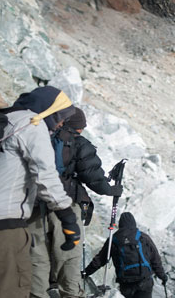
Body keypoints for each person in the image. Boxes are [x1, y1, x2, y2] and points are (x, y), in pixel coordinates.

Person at [0, 86, 80, 298]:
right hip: (1, 233)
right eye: (60, 116)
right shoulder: (31, 123)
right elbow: (45, 174)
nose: (61, 124)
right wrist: (66, 215)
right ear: (48, 110)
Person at [36, 107, 123, 298]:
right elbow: (94, 178)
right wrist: (113, 190)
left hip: (35, 205)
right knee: (68, 257)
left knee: (39, 255)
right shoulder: (78, 143)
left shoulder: (40, 136)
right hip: (65, 204)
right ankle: (71, 294)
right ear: (78, 127)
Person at [84, 212, 167, 298]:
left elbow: (100, 260)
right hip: (144, 281)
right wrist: (162, 276)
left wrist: (86, 272)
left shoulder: (114, 239)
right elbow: (156, 260)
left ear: (120, 224)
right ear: (134, 223)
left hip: (126, 283)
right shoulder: (143, 237)